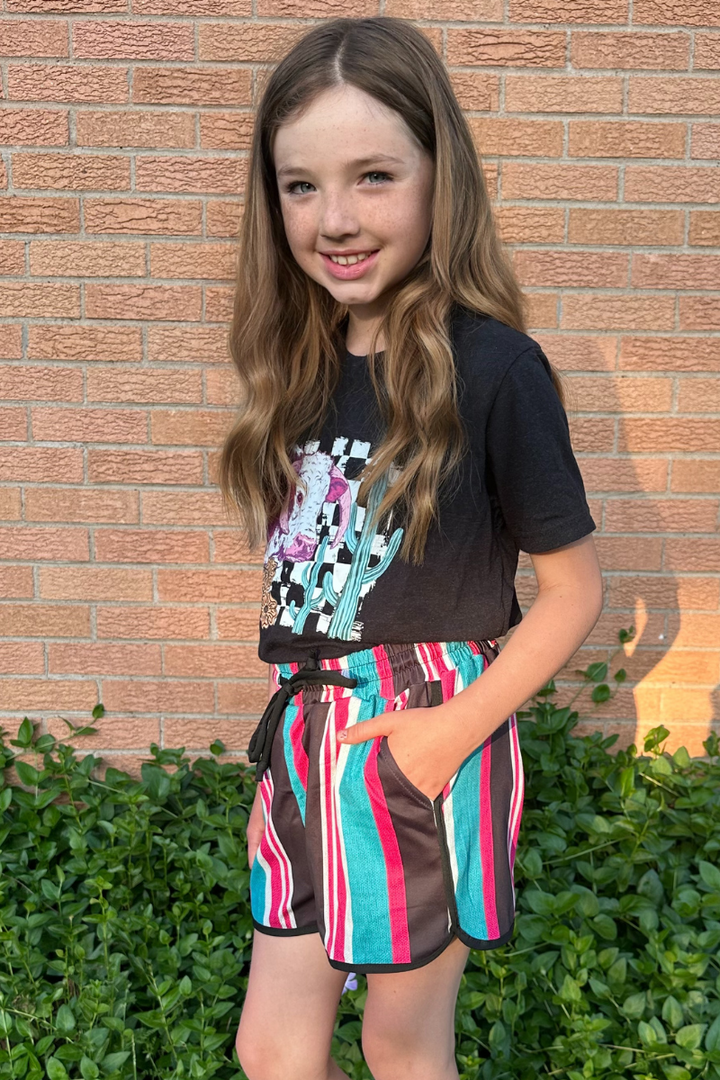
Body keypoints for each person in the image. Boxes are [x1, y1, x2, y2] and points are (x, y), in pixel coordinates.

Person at [217, 15, 603, 1080]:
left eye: (375, 176)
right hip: (306, 734)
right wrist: (304, 756)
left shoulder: (497, 370)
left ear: (443, 180)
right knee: (272, 1050)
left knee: (399, 1043)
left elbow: (574, 590)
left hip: (427, 730)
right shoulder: (297, 367)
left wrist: (445, 738)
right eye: (301, 186)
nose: (335, 218)